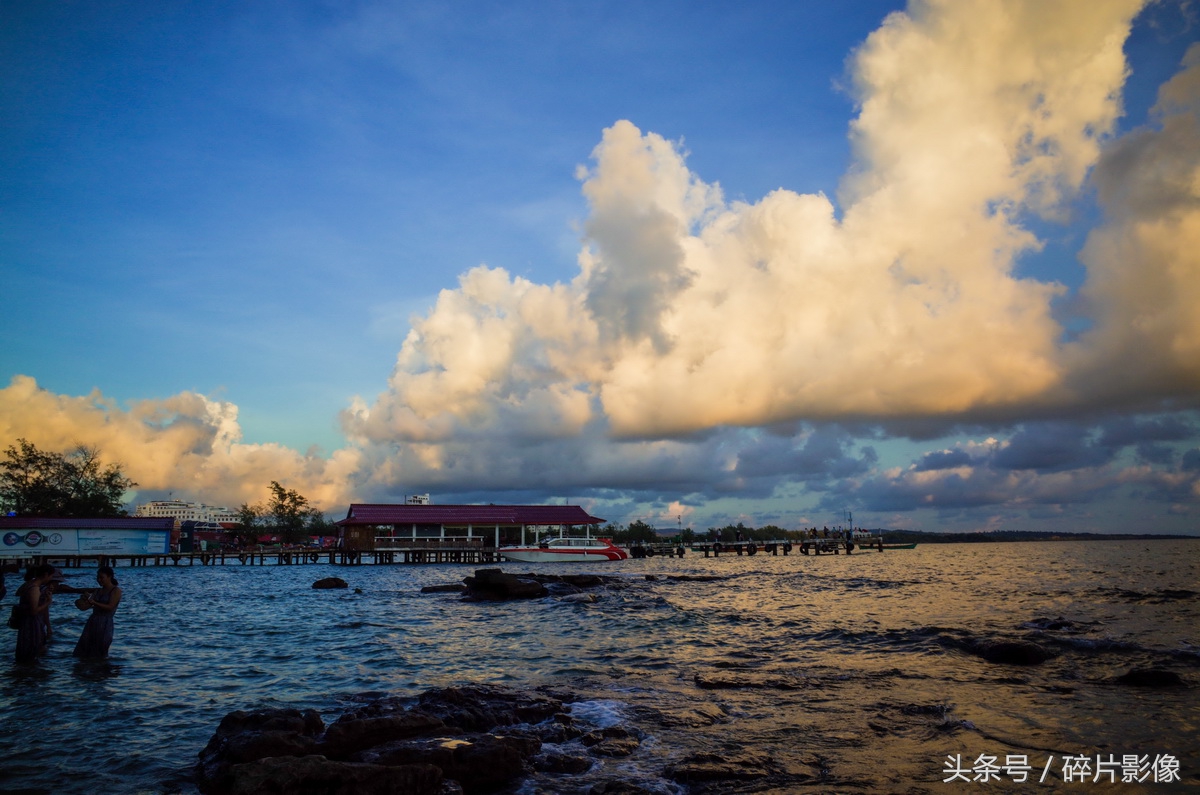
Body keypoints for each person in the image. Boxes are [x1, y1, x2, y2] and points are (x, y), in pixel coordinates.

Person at [74, 566, 122, 658]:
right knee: (85, 649)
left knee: (101, 650)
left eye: (101, 577)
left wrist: (94, 602)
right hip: (93, 622)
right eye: (98, 578)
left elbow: (110, 607)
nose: (99, 580)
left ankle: (101, 670)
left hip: (105, 623)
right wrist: (80, 601)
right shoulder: (98, 591)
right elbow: (85, 607)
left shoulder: (116, 590)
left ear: (109, 577)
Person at [15, 564, 53, 663]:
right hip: (32, 623)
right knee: (32, 649)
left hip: (25, 622)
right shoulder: (35, 588)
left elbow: (18, 594)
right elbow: (34, 610)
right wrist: (48, 602)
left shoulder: (27, 585)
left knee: (25, 650)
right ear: (45, 575)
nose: (50, 579)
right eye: (50, 576)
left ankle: (27, 673)